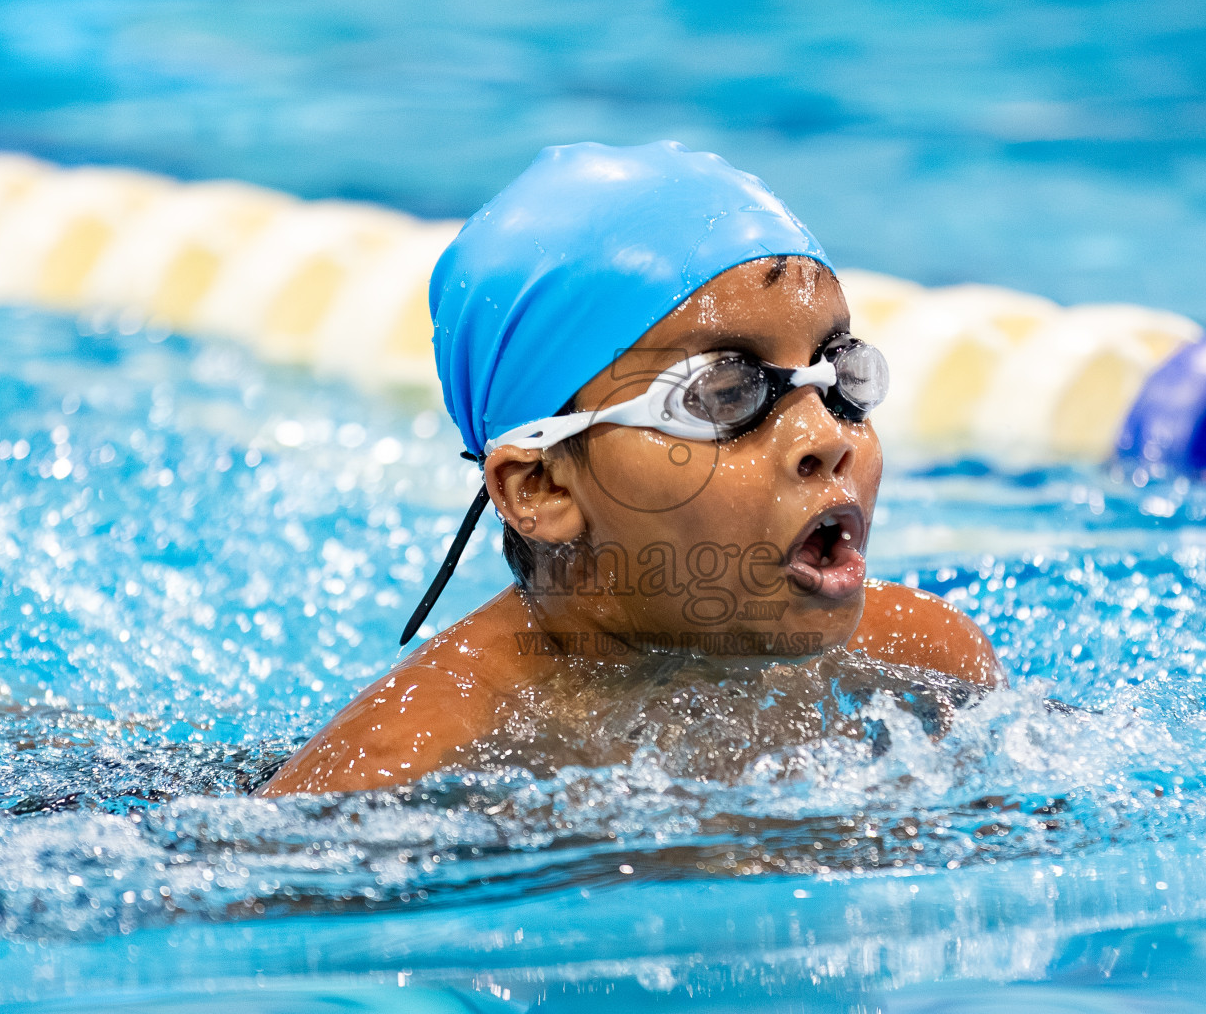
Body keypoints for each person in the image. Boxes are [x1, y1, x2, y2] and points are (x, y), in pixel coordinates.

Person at [260, 142, 999, 796]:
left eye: (837, 375)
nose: (826, 437)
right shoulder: (405, 769)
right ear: (541, 487)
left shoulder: (927, 664)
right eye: (725, 394)